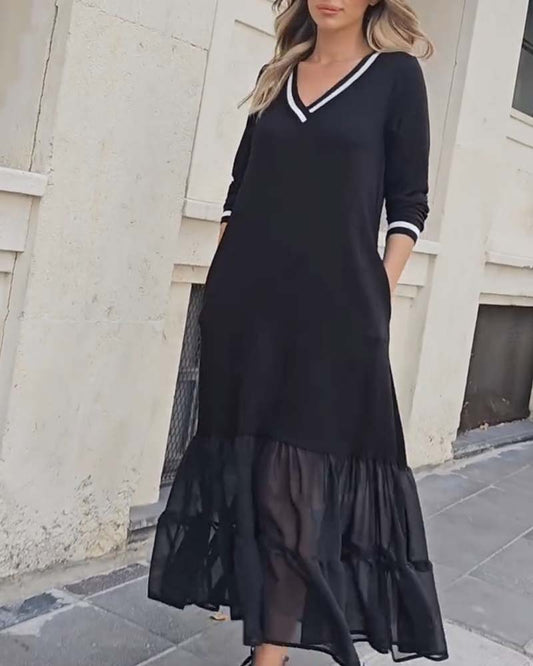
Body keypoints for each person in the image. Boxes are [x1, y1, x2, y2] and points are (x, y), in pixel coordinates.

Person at [148, 1, 449, 665]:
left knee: (299, 483)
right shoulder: (277, 75)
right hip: (248, 310)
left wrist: (376, 293)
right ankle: (267, 635)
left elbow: (408, 204)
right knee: (257, 478)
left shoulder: (395, 77)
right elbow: (239, 191)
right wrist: (222, 288)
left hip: (336, 316)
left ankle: (269, 654)